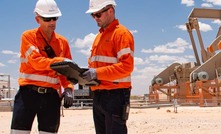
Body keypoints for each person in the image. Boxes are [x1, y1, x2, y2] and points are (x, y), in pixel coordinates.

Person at [10, 0, 75, 133]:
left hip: (51, 97)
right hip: (27, 95)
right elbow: (36, 62)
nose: (52, 22)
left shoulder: (63, 42)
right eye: (47, 19)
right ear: (37, 19)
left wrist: (68, 88)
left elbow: (67, 72)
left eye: (54, 18)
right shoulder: (28, 37)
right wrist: (61, 60)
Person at [83, 0, 134, 133]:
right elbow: (94, 66)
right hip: (99, 95)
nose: (95, 18)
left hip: (116, 95)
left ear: (110, 11)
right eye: (93, 15)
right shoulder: (98, 37)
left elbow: (126, 66)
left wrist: (96, 73)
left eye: (98, 15)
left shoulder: (121, 34)